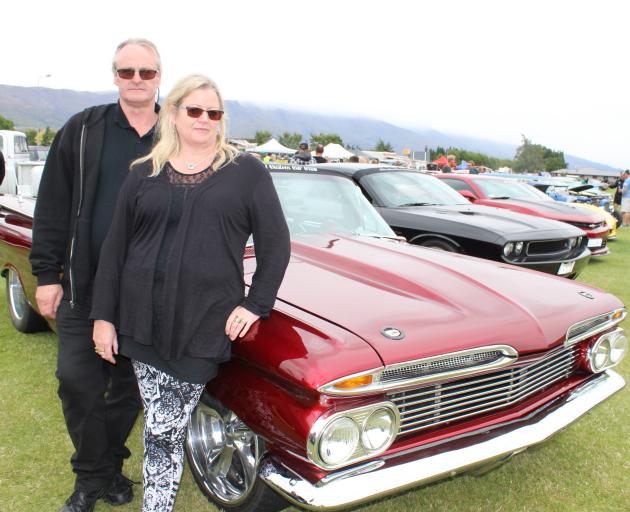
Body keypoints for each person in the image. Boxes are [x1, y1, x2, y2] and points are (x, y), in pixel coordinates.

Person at [90, 74, 291, 512]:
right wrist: (104, 317)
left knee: (163, 426)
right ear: (174, 113)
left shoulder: (246, 172)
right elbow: (115, 249)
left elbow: (277, 244)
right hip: (140, 321)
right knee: (160, 427)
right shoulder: (144, 172)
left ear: (221, 120)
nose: (204, 119)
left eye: (213, 112)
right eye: (194, 110)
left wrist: (256, 303)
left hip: (202, 324)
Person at [30, 38, 162, 512]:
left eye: (145, 73)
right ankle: (92, 478)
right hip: (82, 286)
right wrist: (47, 274)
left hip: (144, 294)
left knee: (126, 389)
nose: (136, 81)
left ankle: (106, 465)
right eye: (127, 72)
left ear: (158, 77)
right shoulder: (83, 129)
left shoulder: (177, 134)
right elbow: (52, 203)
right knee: (76, 381)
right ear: (114, 76)